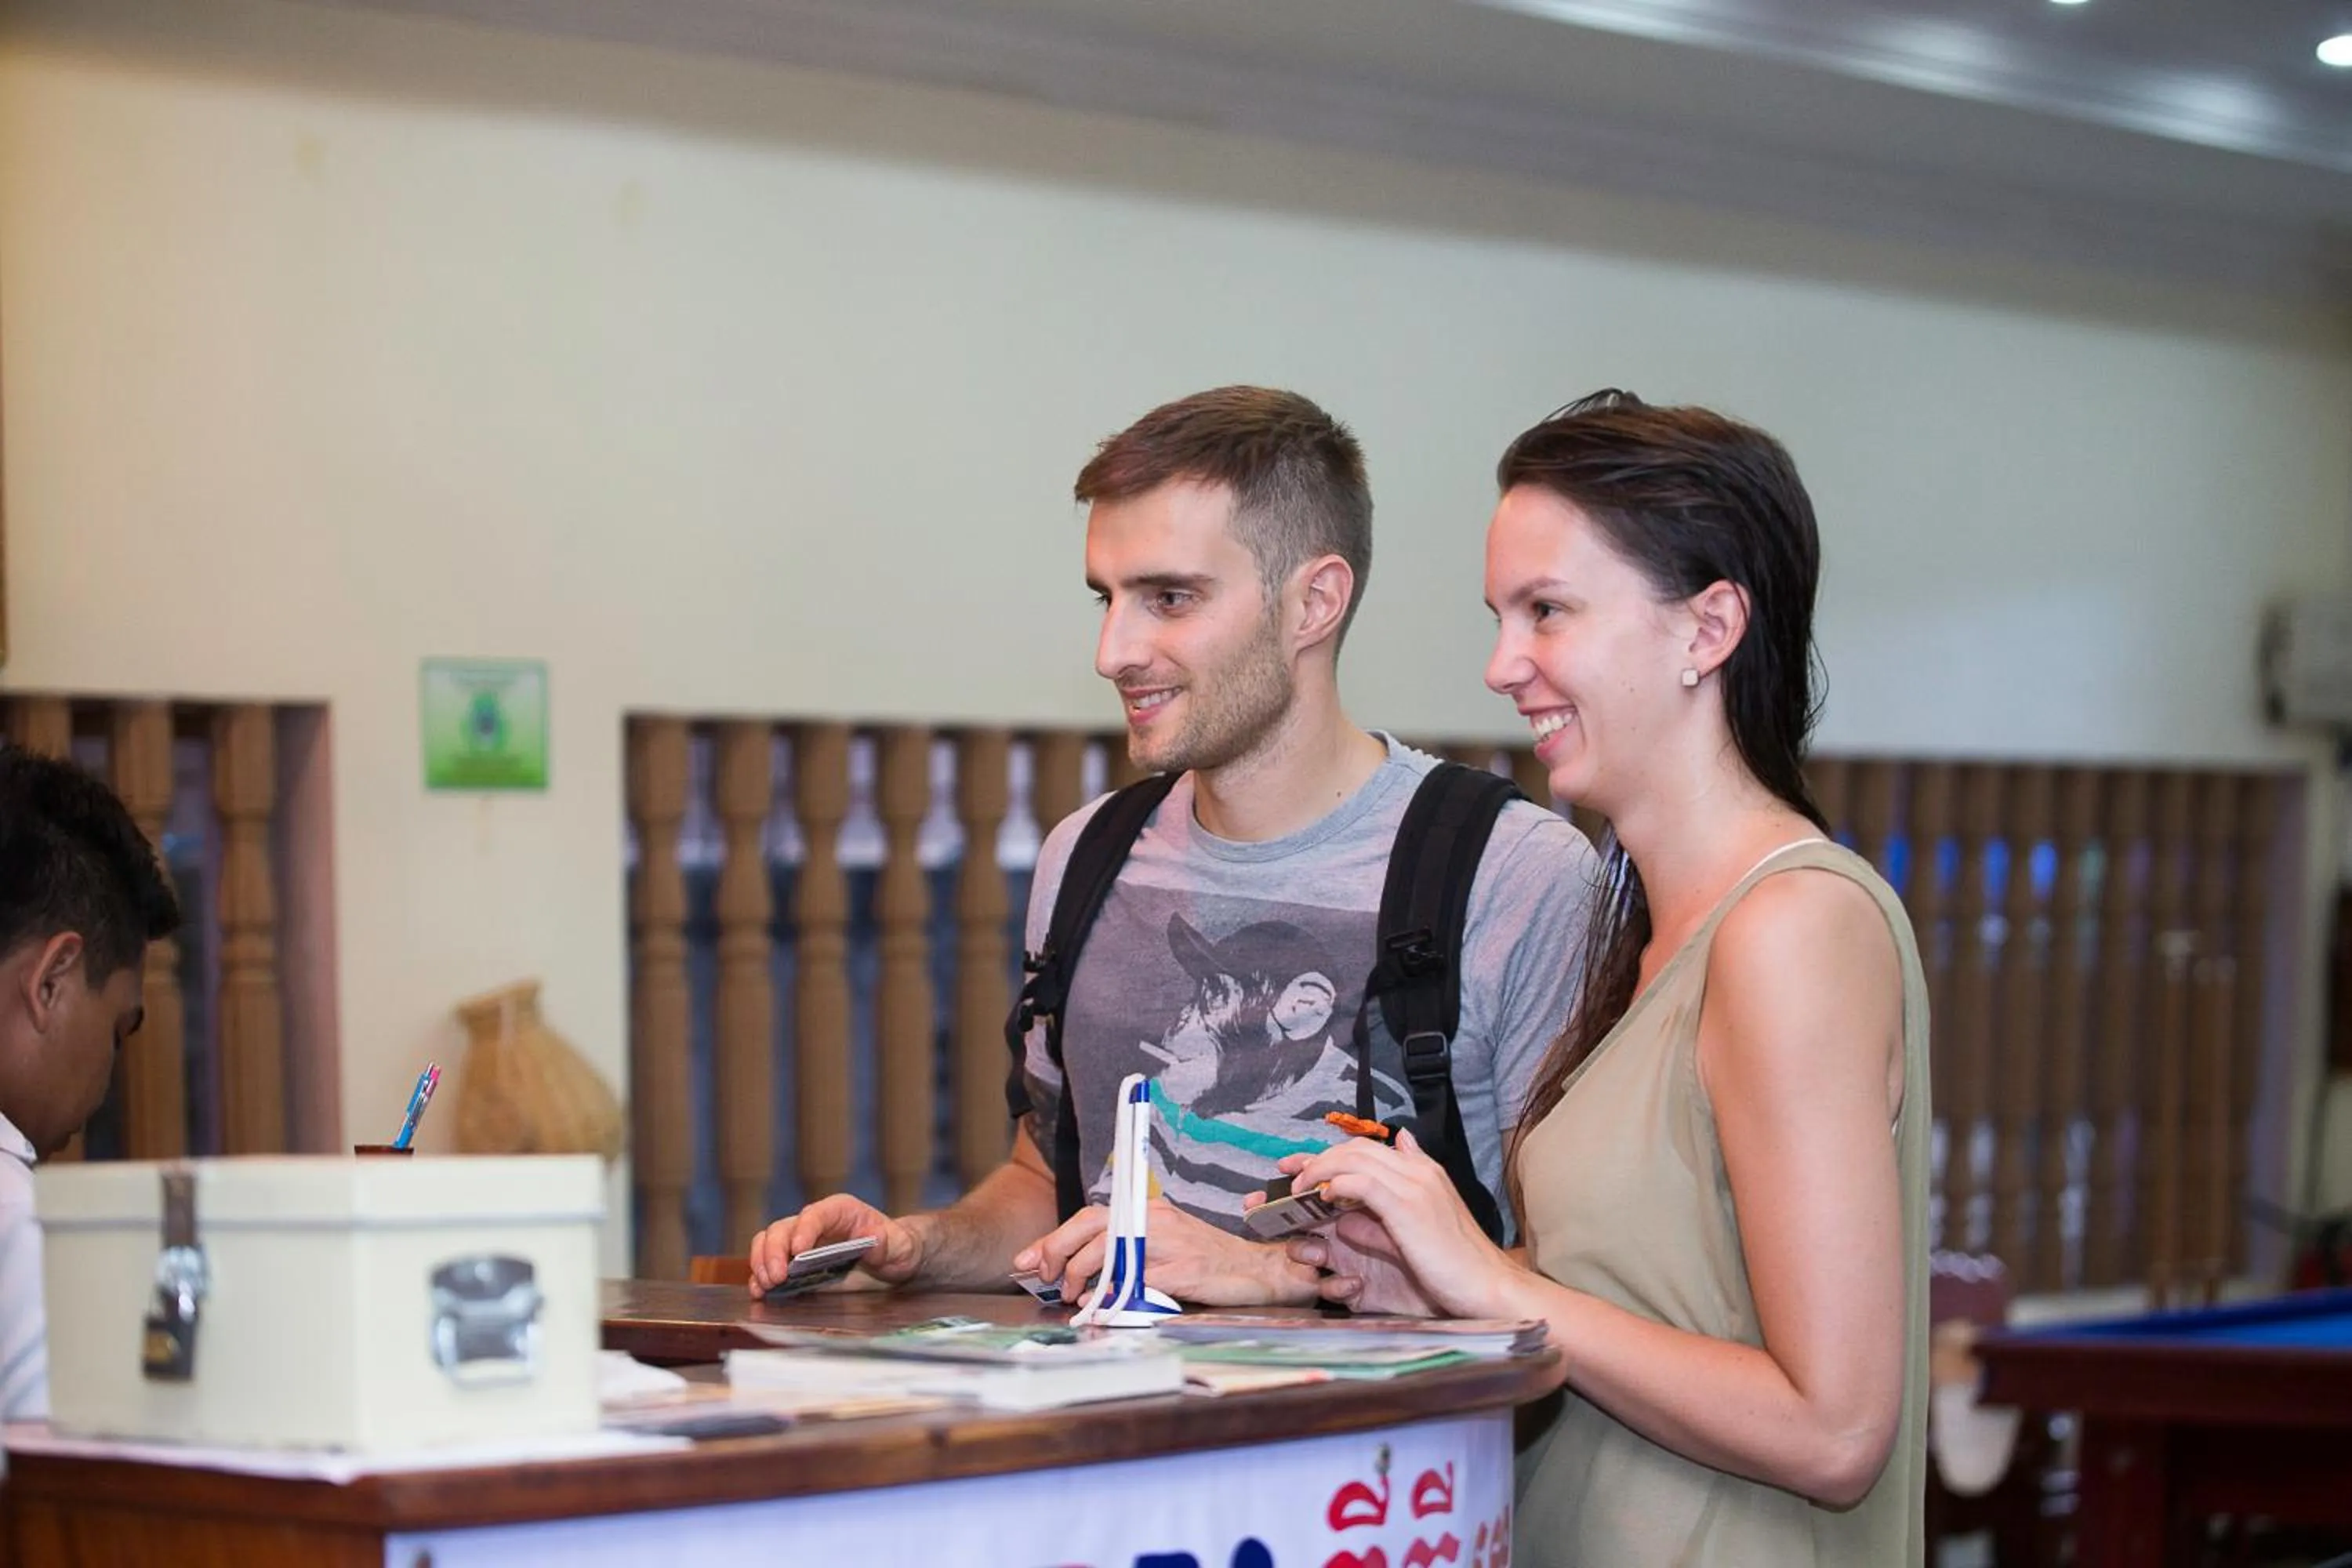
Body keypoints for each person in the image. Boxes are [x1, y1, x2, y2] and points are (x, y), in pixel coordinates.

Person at [750, 386, 1599, 1306]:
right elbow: (1049, 1186)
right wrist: (914, 1244)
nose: (1114, 649)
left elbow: (1574, 1277)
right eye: (1105, 599)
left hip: (1388, 1452)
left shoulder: (1513, 872)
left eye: (1169, 597)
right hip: (1119, 1437)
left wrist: (1275, 1273)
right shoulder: (1085, 856)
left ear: (1314, 601)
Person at [1277, 390, 1929, 1565]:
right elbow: (1648, 1305)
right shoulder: (1638, 917)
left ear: (1708, 628)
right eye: (1500, 616)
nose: (1500, 665)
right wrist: (1430, 1287)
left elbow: (1836, 1430)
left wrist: (1486, 1280)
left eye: (1548, 613)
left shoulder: (1790, 926)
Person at [0, 746, 183, 1429]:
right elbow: (63, 1511)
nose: (107, 1079)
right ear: (52, 981)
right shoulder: (19, 1228)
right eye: (116, 1030)